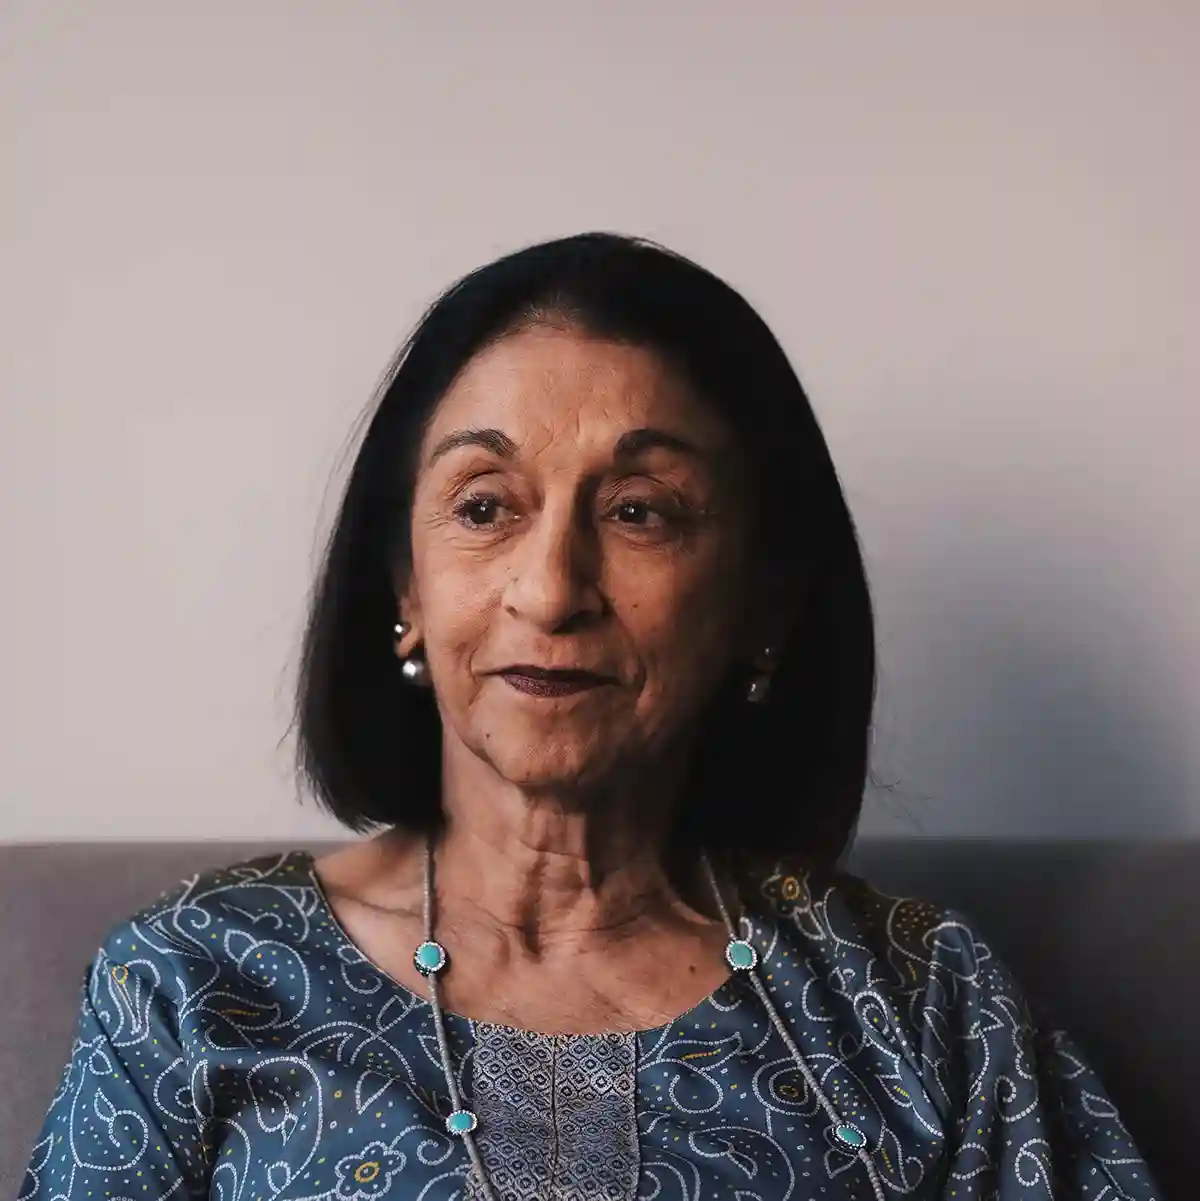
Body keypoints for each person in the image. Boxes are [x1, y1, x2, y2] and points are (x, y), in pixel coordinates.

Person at [22, 233, 1158, 1201]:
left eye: (639, 510)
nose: (552, 587)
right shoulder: (196, 980)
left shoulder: (921, 1006)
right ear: (408, 590)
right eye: (484, 506)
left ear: (763, 601)